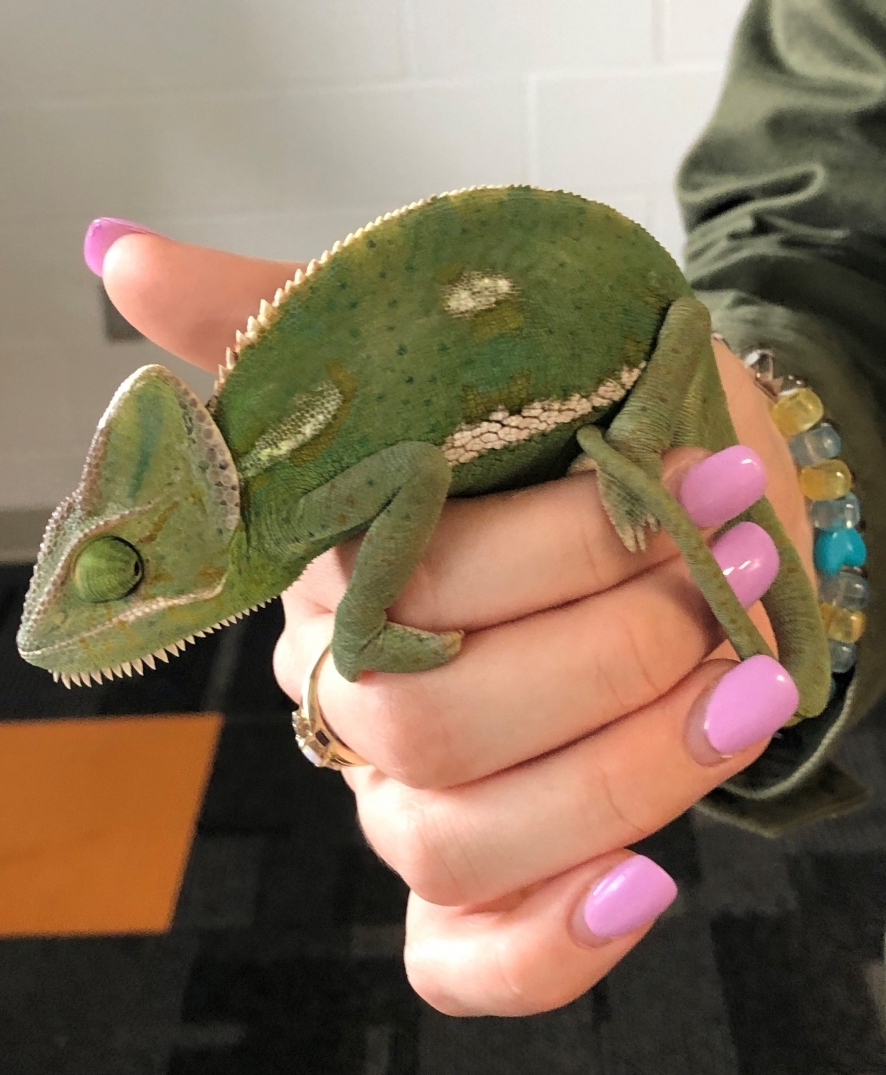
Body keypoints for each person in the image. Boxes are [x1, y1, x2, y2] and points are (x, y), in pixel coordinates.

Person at [83, 0, 884, 1018]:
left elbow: (416, 477)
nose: (125, 606)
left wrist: (365, 622)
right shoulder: (274, 490)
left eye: (122, 577)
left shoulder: (279, 494)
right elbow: (825, 215)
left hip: (623, 327)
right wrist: (804, 457)